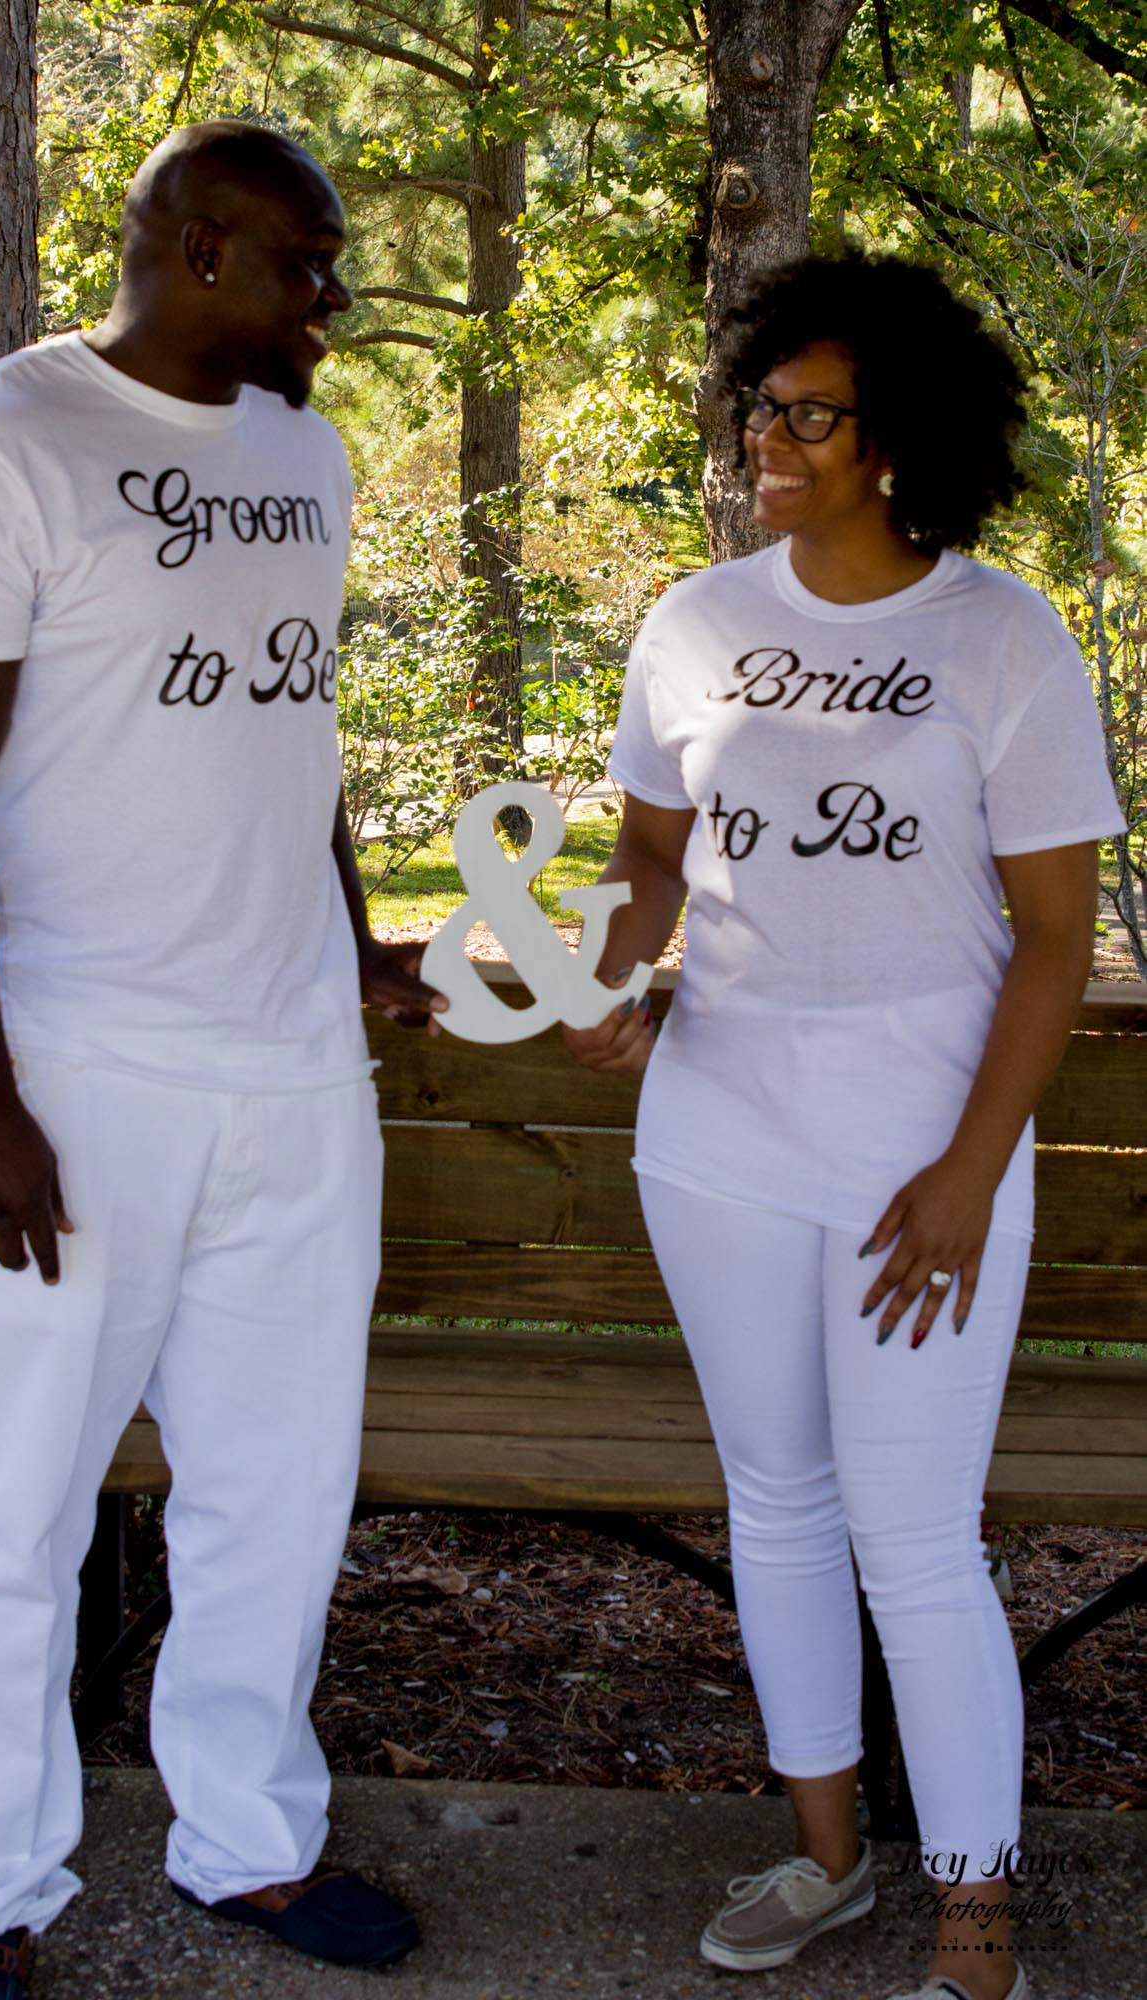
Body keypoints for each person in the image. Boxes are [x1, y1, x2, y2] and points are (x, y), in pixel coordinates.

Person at [0, 120, 442, 2000]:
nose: (332, 300)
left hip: (290, 1073)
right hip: (71, 1074)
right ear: (196, 248)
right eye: (306, 264)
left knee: (276, 1490)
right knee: (9, 1499)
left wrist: (353, 945)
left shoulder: (303, 452)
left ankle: (246, 1846)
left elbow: (291, 730)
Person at [564, 252, 1125, 2000]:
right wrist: (604, 975)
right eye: (763, 407)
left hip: (917, 1158)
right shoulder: (693, 621)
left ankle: (976, 1930)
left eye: (812, 417)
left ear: (900, 442)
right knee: (777, 1503)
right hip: (716, 1129)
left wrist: (968, 1170)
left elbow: (1053, 938)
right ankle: (824, 1860)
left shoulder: (999, 637)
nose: (770, 442)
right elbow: (648, 857)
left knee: (915, 1535)